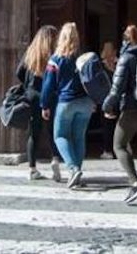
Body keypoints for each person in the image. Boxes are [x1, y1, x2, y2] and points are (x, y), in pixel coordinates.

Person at [102, 25, 137, 205]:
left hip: (132, 108)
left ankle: (135, 183)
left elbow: (116, 88)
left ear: (125, 40)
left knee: (118, 145)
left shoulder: (126, 58)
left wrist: (107, 106)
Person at [40, 22, 95, 189]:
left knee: (60, 136)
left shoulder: (55, 60)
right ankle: (77, 172)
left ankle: (73, 168)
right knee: (79, 137)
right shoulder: (84, 57)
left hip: (66, 102)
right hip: (85, 102)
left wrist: (45, 105)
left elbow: (48, 85)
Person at [16, 25, 62, 182]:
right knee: (52, 131)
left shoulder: (30, 53)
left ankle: (32, 169)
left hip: (32, 96)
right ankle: (55, 160)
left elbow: (19, 72)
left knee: (33, 134)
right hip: (50, 96)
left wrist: (28, 84)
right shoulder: (55, 54)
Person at [99, 42, 117, 160]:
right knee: (118, 126)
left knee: (107, 126)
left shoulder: (100, 66)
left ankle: (108, 150)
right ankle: (118, 149)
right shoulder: (119, 63)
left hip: (106, 98)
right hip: (118, 98)